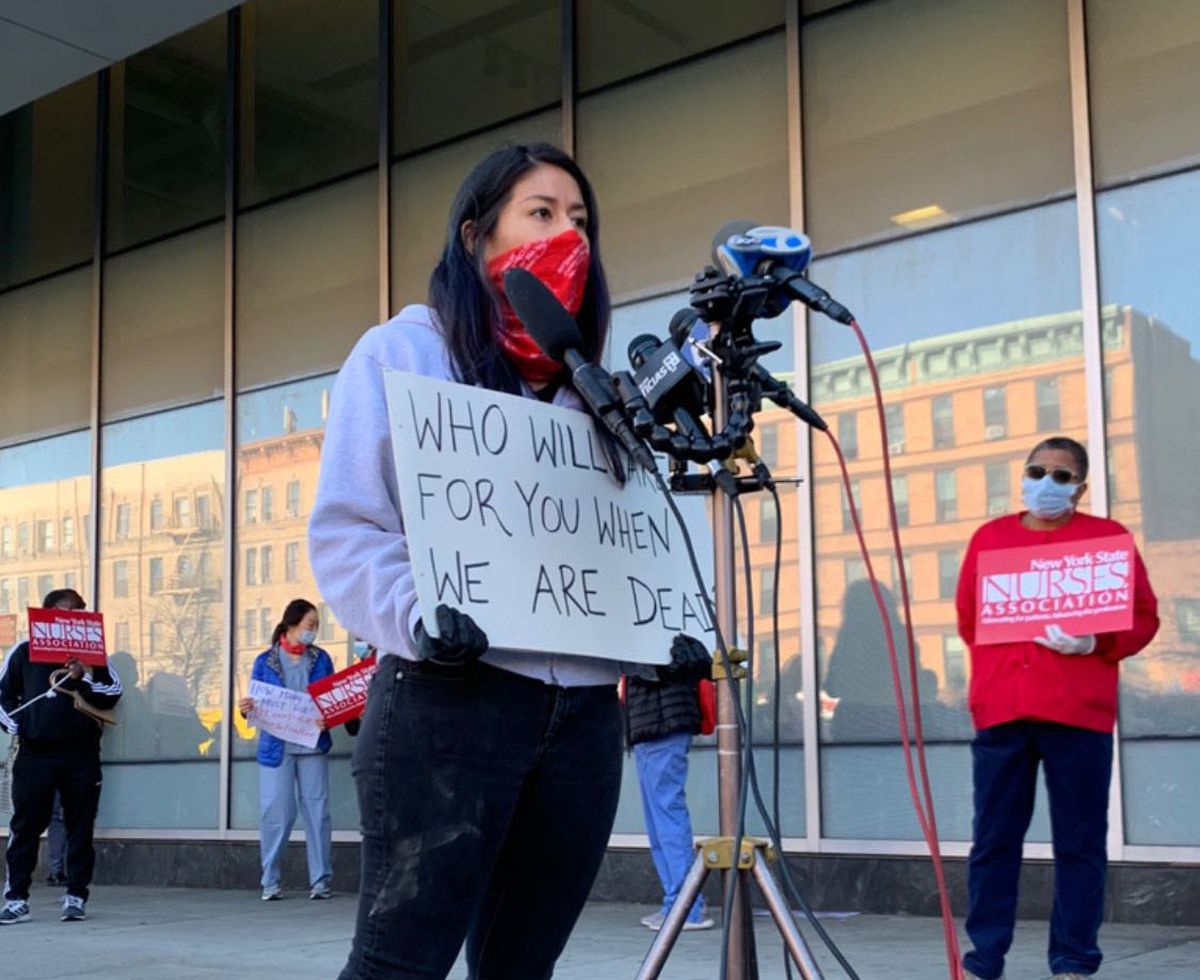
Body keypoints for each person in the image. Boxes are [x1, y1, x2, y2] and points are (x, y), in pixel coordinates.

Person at [308, 142, 711, 980]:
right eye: (542, 212)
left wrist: (665, 632)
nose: (571, 236)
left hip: (584, 722)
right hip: (450, 703)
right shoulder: (400, 354)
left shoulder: (594, 393)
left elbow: (623, 545)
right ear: (475, 236)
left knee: (522, 969)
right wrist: (418, 614)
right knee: (398, 966)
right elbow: (348, 531)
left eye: (582, 220)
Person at [956, 437, 1159, 980]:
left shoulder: (1107, 539)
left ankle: (1073, 960)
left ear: (1080, 488)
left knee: (1079, 843)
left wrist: (1096, 642)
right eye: (1036, 471)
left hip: (1077, 714)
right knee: (994, 841)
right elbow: (970, 618)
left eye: (1061, 476)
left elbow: (1144, 617)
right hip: (1003, 712)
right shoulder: (990, 538)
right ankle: (983, 960)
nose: (1046, 482)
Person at [0, 588, 123, 924]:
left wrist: (82, 678)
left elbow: (113, 693)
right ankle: (16, 898)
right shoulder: (24, 650)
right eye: (63, 612)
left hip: (81, 755)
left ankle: (76, 895)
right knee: (26, 825)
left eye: (77, 612)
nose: (71, 618)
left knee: (80, 825)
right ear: (47, 614)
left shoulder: (93, 653)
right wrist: (17, 724)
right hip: (36, 753)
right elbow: (3, 694)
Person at [237, 599, 335, 902]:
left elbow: (332, 700)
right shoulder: (265, 661)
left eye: (316, 625)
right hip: (276, 747)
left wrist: (329, 717)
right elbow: (255, 704)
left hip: (312, 744)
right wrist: (245, 708)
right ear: (291, 624)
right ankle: (270, 880)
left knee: (317, 813)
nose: (313, 631)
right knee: (276, 812)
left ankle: (321, 881)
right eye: (310, 625)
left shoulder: (321, 659)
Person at [625, 638, 714, 933]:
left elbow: (650, 669)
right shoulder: (667, 632)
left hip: (659, 723)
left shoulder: (658, 635)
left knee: (666, 816)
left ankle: (687, 906)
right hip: (655, 724)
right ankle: (677, 903)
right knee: (661, 819)